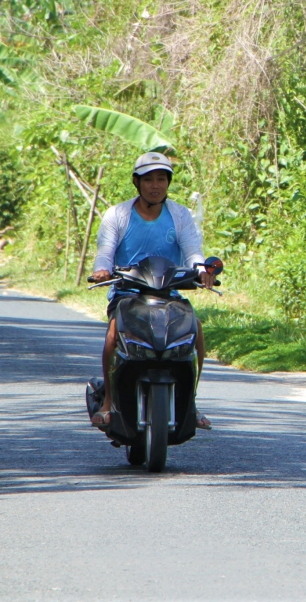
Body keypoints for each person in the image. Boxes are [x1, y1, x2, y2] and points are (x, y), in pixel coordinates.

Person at [89, 152, 215, 430]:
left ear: (168, 183)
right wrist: (102, 269)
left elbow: (193, 250)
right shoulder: (118, 214)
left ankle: (190, 403)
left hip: (169, 292)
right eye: (148, 180)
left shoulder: (180, 214)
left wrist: (203, 270)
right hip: (128, 292)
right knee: (113, 333)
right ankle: (109, 402)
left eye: (161, 179)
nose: (155, 185)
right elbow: (105, 251)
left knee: (196, 328)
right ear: (137, 182)